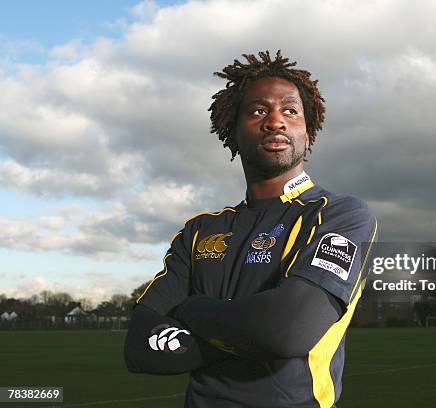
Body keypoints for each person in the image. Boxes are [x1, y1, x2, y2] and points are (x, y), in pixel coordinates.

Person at [124, 50, 378, 408]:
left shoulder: (340, 216)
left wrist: (192, 309)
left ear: (308, 135)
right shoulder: (199, 232)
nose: (276, 121)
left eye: (290, 111)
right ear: (232, 131)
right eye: (258, 111)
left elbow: (286, 331)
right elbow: (140, 348)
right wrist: (247, 333)